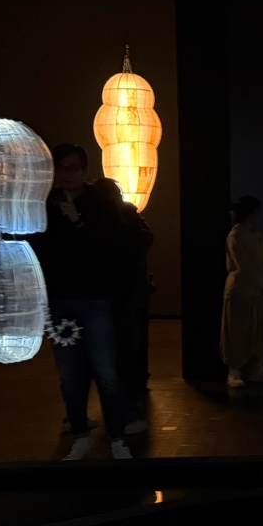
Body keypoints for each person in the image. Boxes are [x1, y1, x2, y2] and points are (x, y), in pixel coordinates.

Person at [33, 144, 140, 461]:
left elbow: (111, 248)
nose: (65, 174)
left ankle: (117, 437)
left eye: (72, 168)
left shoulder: (100, 202)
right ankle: (80, 435)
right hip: (59, 300)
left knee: (106, 373)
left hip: (95, 300)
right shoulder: (46, 203)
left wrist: (78, 220)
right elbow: (40, 247)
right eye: (59, 168)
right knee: (70, 376)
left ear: (84, 170)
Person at [92, 177, 154, 424]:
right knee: (129, 349)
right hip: (128, 295)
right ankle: (129, 401)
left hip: (109, 295)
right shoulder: (130, 219)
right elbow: (144, 242)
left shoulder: (105, 220)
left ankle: (123, 402)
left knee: (117, 351)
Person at [221, 195, 263, 388]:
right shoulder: (237, 236)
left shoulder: (254, 235)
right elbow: (243, 266)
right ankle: (234, 369)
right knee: (239, 330)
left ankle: (256, 366)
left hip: (258, 292)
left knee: (258, 330)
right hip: (243, 291)